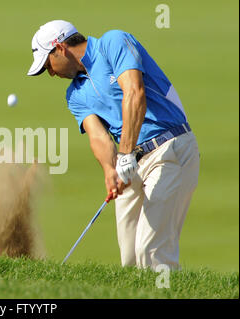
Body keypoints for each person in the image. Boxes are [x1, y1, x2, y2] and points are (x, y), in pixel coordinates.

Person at [27, 20, 200, 270]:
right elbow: (97, 135)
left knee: (151, 251)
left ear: (60, 47)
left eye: (47, 65)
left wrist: (126, 153)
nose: (51, 73)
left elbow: (134, 92)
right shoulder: (74, 94)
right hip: (130, 163)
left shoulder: (112, 42)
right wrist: (110, 170)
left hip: (170, 149)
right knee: (129, 260)